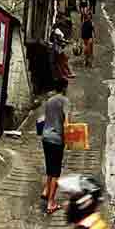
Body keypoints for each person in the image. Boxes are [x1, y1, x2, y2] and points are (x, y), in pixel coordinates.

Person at [40, 79, 69, 214]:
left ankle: (46, 190)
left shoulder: (49, 101)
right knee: (56, 172)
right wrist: (69, 139)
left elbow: (43, 119)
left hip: (45, 137)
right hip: (57, 138)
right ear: (64, 88)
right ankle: (51, 203)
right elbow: (66, 124)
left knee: (50, 166)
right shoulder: (64, 101)